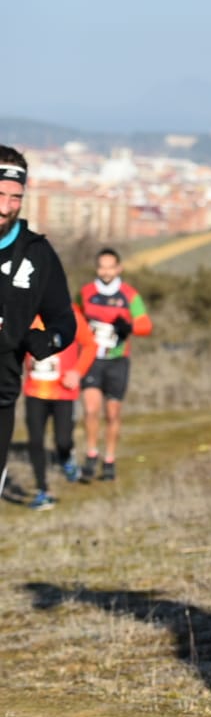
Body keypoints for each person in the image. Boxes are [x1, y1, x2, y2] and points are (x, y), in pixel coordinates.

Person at [0, 145, 76, 503]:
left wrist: (49, 340)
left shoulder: (37, 254)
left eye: (15, 197)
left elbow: (64, 320)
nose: (6, 206)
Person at [78, 248, 153, 483]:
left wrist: (128, 328)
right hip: (91, 359)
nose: (106, 271)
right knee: (91, 410)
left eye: (111, 267)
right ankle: (91, 454)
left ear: (119, 268)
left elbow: (146, 326)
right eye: (102, 266)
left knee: (112, 413)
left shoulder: (130, 295)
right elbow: (73, 317)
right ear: (97, 268)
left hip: (117, 360)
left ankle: (109, 459)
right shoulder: (86, 293)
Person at [21, 302, 95, 509]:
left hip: (64, 389)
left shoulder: (68, 313)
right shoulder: (23, 310)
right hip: (35, 390)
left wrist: (77, 372)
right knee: (35, 441)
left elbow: (90, 345)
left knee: (63, 440)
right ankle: (43, 490)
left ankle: (66, 458)